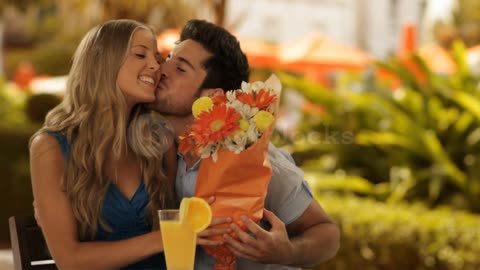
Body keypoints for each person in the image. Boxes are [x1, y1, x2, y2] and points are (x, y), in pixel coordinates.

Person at [150, 19, 340, 269]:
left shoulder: (253, 159)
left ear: (212, 97)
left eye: (181, 68)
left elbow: (327, 233)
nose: (163, 69)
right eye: (169, 58)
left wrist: (287, 252)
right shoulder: (154, 150)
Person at [30, 19, 179, 269]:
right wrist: (165, 238)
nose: (156, 66)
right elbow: (69, 259)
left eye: (157, 57)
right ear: (103, 62)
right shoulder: (49, 147)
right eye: (140, 54)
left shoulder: (160, 138)